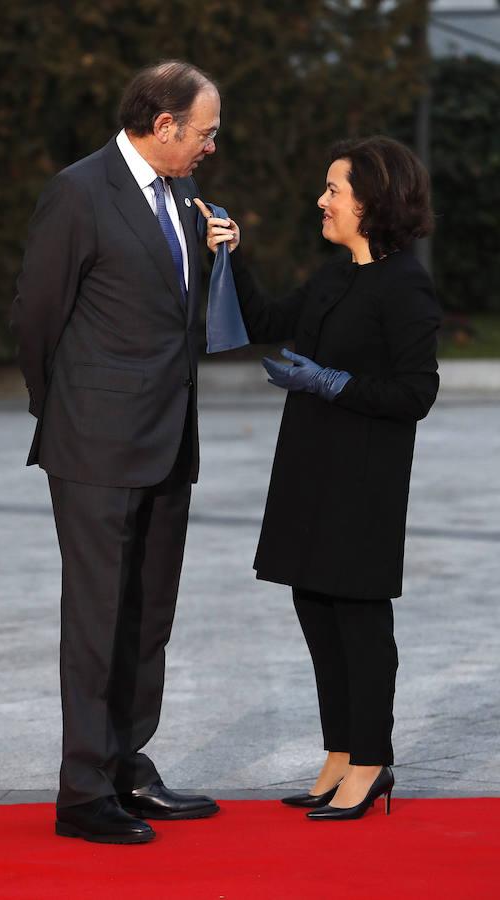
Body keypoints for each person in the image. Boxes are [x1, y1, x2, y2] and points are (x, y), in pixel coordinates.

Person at [197, 135, 441, 821]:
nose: (321, 200)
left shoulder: (406, 284)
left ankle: (372, 761)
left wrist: (332, 382)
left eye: (334, 189)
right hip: (310, 468)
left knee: (360, 620)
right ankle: (339, 754)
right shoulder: (336, 275)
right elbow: (270, 320)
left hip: (364, 479)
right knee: (316, 608)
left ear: (374, 199)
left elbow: (415, 392)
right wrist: (231, 254)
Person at [11, 60, 222, 844]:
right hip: (95, 443)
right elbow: (36, 313)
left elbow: (178, 313)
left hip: (170, 437)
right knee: (97, 617)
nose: (211, 145)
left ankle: (129, 762)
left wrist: (221, 252)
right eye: (204, 131)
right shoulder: (78, 191)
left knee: (147, 615)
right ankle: (82, 791)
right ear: (163, 124)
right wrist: (63, 408)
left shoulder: (184, 196)